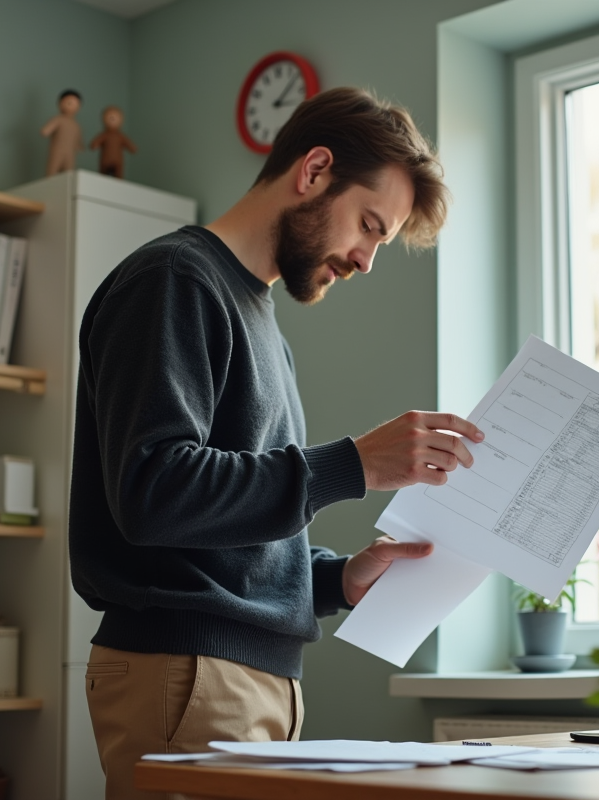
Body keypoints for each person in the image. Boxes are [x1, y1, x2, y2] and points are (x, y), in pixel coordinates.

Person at [69, 86, 483, 800]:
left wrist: (335, 579)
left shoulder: (258, 318)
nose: (365, 260)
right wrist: (351, 463)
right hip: (189, 675)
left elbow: (219, 534)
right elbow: (154, 491)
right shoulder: (174, 282)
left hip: (244, 683)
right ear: (315, 170)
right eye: (369, 226)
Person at [41, 89, 84, 176]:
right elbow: (45, 131)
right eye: (69, 103)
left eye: (75, 104)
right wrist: (46, 131)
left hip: (70, 153)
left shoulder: (76, 125)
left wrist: (78, 145)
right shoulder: (58, 119)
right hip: (57, 150)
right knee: (53, 169)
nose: (72, 106)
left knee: (69, 172)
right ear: (60, 104)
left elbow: (77, 138)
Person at [90, 105, 138, 179]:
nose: (112, 118)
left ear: (121, 120)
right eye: (109, 116)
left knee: (118, 175)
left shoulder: (120, 136)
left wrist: (132, 148)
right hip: (105, 160)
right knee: (103, 175)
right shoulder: (104, 135)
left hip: (117, 161)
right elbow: (95, 143)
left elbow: (129, 145)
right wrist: (94, 145)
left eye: (115, 117)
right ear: (104, 119)